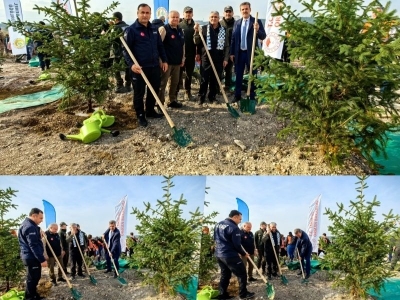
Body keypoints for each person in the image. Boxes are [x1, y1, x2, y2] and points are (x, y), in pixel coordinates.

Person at [123, 3, 168, 127]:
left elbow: (160, 46)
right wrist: (131, 65)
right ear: (137, 13)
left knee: (153, 90)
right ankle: (140, 115)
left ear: (150, 14)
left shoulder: (154, 29)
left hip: (154, 66)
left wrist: (164, 60)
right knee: (139, 92)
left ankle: (150, 111)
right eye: (142, 12)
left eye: (147, 13)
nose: (145, 15)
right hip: (139, 68)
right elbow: (126, 50)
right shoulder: (131, 30)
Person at [230, 2, 266, 103]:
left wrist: (258, 30)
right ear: (240, 11)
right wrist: (232, 53)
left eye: (246, 9)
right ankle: (237, 95)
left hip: (251, 54)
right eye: (243, 9)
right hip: (239, 53)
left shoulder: (256, 22)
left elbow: (263, 36)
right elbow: (233, 39)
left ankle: (252, 96)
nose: (245, 11)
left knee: (252, 75)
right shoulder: (237, 23)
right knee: (238, 75)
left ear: (250, 10)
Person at [214, 210, 255, 300]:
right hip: (229, 255)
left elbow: (215, 239)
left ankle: (222, 294)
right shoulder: (234, 227)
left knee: (225, 274)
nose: (240, 221)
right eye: (240, 219)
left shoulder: (218, 224)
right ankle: (243, 294)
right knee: (242, 274)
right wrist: (244, 253)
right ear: (235, 217)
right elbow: (237, 244)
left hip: (219, 254)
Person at [193, 11, 229, 105]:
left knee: (215, 79)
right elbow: (197, 43)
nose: (214, 19)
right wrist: (197, 32)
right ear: (209, 18)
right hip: (206, 58)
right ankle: (201, 96)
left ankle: (212, 96)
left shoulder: (223, 30)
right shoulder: (204, 29)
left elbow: (226, 45)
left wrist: (225, 58)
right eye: (212, 17)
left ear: (219, 18)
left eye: (216, 17)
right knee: (204, 78)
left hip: (218, 58)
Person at [18, 208, 48, 300]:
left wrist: (38, 233)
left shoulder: (30, 225)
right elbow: (33, 245)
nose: (42, 220)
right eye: (40, 218)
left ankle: (34, 295)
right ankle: (30, 297)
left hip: (31, 256)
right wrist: (42, 259)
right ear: (34, 216)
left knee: (35, 277)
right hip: (31, 257)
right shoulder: (29, 227)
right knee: (32, 278)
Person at [158, 10, 184, 108]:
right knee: (162, 84)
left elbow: (183, 45)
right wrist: (161, 60)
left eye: (177, 17)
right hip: (166, 63)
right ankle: (159, 103)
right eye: (173, 17)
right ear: (168, 18)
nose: (175, 19)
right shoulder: (163, 29)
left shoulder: (180, 30)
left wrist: (183, 58)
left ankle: (172, 100)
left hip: (177, 62)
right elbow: (158, 46)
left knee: (174, 83)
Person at [177, 6, 197, 101]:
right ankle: (175, 93)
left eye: (190, 12)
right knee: (178, 75)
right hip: (180, 55)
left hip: (191, 54)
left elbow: (198, 41)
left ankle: (187, 92)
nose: (188, 14)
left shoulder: (195, 26)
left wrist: (197, 54)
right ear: (183, 14)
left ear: (192, 14)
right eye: (186, 12)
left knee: (189, 74)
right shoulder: (179, 25)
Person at [111, 12, 132, 93]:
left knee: (116, 68)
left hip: (117, 52)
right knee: (128, 68)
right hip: (128, 52)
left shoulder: (115, 28)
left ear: (115, 19)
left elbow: (110, 39)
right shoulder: (128, 26)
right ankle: (128, 85)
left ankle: (119, 85)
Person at [219, 6, 235, 92]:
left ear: (233, 13)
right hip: (221, 51)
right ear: (224, 13)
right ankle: (217, 86)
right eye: (226, 12)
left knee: (229, 69)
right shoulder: (220, 24)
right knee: (219, 69)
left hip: (231, 51)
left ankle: (227, 86)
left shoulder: (236, 24)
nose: (228, 13)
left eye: (229, 12)